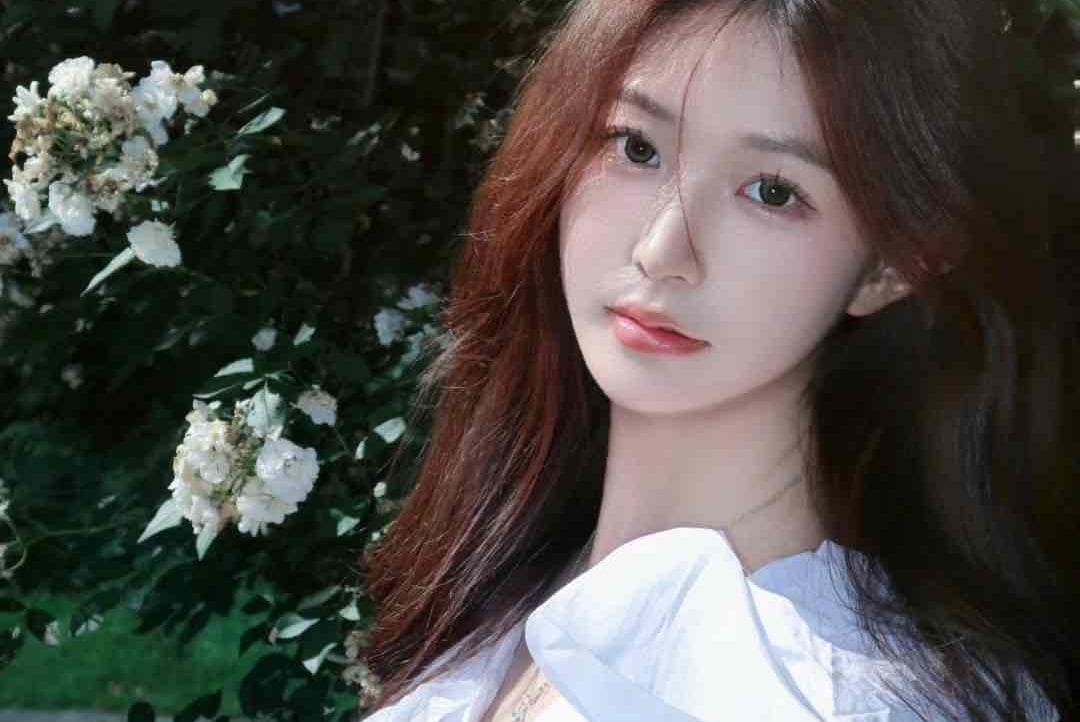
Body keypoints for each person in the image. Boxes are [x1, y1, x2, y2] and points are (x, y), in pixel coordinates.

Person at [360, 1, 1078, 720]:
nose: (662, 250)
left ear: (891, 266)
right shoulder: (494, 605)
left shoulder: (849, 701)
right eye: (635, 147)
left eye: (772, 192)